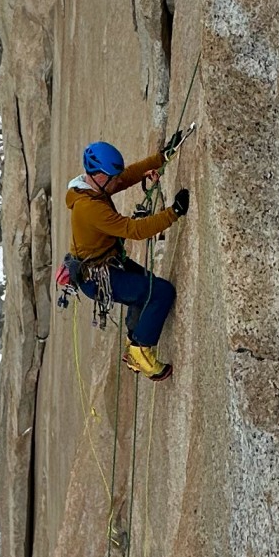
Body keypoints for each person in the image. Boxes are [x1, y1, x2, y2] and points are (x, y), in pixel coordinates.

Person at [58, 132, 190, 380]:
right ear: (98, 176)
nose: (117, 180)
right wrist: (174, 212)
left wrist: (162, 157)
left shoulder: (91, 188)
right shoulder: (89, 207)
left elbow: (126, 176)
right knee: (160, 293)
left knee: (145, 290)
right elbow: (134, 230)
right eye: (112, 177)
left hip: (108, 264)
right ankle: (140, 350)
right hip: (97, 278)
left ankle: (133, 344)